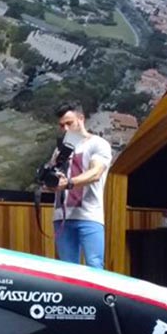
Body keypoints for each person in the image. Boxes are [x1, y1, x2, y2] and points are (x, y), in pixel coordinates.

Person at [47, 102, 113, 268]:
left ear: (81, 119)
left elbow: (96, 172)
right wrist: (49, 181)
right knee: (67, 269)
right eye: (62, 125)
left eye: (69, 123)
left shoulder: (98, 143)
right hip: (62, 216)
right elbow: (53, 177)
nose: (66, 129)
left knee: (94, 264)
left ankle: (96, 296)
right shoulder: (60, 150)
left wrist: (69, 183)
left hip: (89, 215)